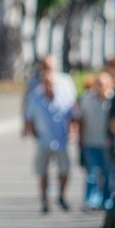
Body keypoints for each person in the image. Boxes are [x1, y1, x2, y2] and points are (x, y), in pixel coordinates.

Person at [25, 69, 77, 214]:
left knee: (65, 170)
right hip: (44, 141)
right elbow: (29, 119)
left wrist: (73, 130)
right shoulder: (35, 98)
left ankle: (61, 195)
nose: (49, 85)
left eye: (52, 83)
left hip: (61, 140)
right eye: (46, 83)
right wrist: (34, 135)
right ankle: (44, 199)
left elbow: (73, 116)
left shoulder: (64, 97)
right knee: (42, 172)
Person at [77, 72, 115, 210]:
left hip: (107, 143)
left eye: (103, 84)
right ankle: (91, 200)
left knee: (107, 173)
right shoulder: (87, 98)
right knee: (91, 173)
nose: (100, 87)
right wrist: (80, 138)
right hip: (90, 141)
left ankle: (106, 200)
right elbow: (81, 119)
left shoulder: (113, 99)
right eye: (98, 84)